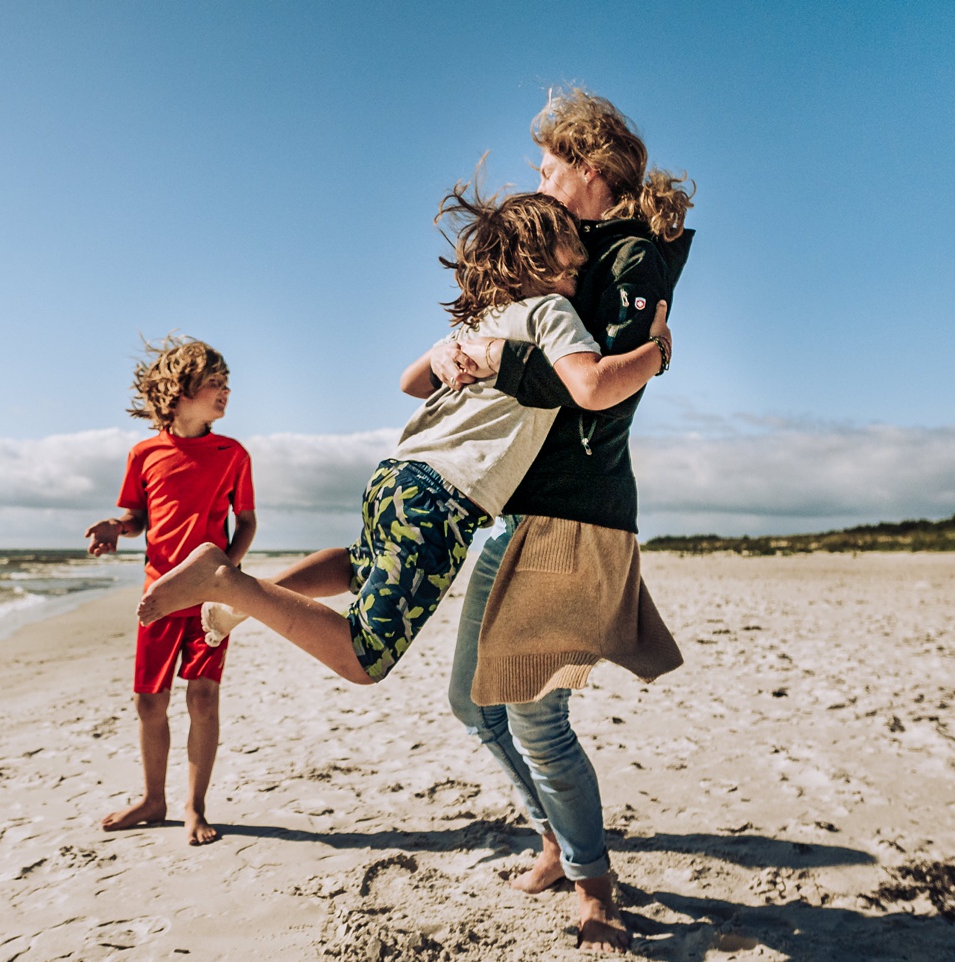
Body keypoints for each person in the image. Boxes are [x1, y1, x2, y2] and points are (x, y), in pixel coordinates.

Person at [135, 183, 672, 691]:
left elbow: (409, 382)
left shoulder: (483, 320)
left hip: (397, 477)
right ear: (537, 259)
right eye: (571, 257)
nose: (580, 266)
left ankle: (236, 603)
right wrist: (657, 353)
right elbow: (592, 387)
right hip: (444, 499)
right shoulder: (550, 311)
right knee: (364, 658)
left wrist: (445, 355)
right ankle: (229, 583)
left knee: (358, 563)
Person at [420, 89, 695, 954]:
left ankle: (595, 886)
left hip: (575, 515)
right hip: (521, 513)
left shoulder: (629, 260)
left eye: (547, 168)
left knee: (539, 721)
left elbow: (605, 398)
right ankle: (558, 840)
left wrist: (503, 360)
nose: (537, 184)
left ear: (590, 169)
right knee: (473, 704)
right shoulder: (585, 259)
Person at [85, 336, 256, 846]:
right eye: (214, 383)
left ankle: (193, 806)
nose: (225, 391)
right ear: (179, 391)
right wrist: (117, 527)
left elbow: (244, 522)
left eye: (227, 383)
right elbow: (138, 517)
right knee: (148, 702)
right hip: (157, 597)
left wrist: (225, 571)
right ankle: (152, 798)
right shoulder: (145, 452)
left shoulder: (232, 453)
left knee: (203, 699)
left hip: (208, 600)